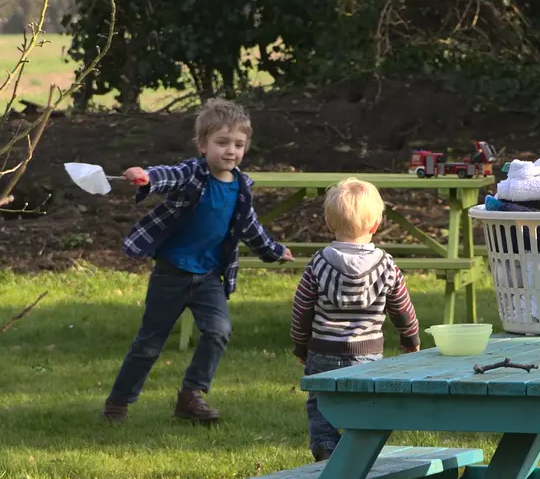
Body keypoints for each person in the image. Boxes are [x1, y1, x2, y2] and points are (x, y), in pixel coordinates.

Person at [102, 99, 293, 424]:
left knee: (219, 330)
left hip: (208, 278)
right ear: (203, 146)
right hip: (171, 274)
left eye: (238, 144)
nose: (230, 151)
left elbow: (250, 227)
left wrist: (274, 250)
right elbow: (168, 175)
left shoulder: (242, 187)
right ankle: (118, 402)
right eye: (222, 143)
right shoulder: (193, 173)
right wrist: (146, 176)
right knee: (149, 343)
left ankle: (191, 396)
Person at [290, 178, 420, 460]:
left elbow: (302, 309)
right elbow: (401, 308)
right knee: (364, 402)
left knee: (320, 403)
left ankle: (326, 446)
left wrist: (301, 345)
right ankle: (359, 449)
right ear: (375, 225)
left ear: (328, 223)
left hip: (322, 350)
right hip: (367, 355)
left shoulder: (319, 263)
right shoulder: (386, 265)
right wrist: (410, 339)